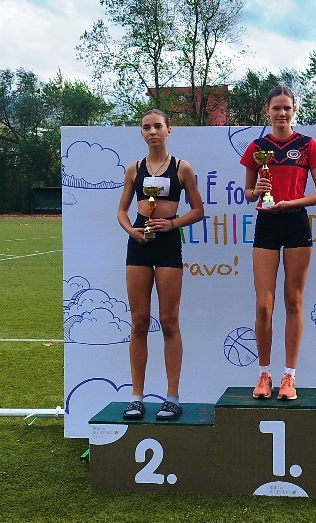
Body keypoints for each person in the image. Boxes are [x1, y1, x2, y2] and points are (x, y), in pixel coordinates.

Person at [240, 86, 316, 401]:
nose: (281, 113)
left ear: (294, 110)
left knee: (293, 301)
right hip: (266, 223)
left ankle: (289, 376)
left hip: (295, 223)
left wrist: (293, 201)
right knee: (263, 305)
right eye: (276, 108)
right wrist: (256, 191)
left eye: (286, 108)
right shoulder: (257, 147)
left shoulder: (307, 145)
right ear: (266, 111)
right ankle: (263, 374)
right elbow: (248, 193)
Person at [117, 109, 204, 420]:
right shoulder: (134, 169)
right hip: (139, 245)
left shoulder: (182, 168)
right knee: (139, 322)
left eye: (157, 126)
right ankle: (136, 397)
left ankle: (172, 397)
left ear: (169, 130)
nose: (152, 131)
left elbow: (198, 210)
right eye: (146, 127)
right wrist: (132, 231)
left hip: (167, 245)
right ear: (141, 133)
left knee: (169, 322)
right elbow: (122, 211)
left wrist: (172, 224)